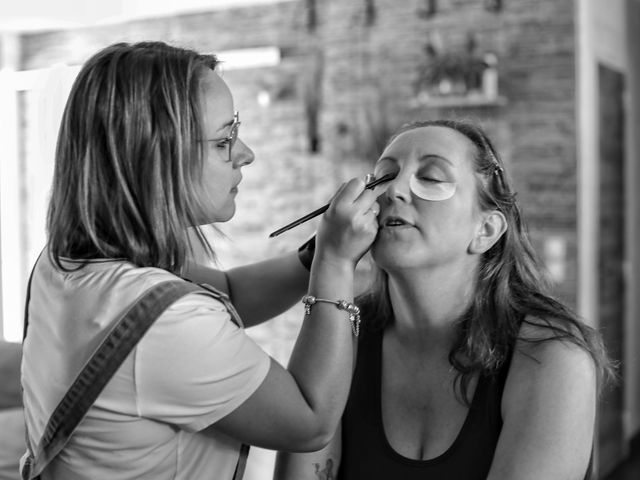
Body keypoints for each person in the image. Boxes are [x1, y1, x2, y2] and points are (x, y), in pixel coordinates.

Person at [20, 41, 384, 479]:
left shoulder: (67, 262)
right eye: (223, 140)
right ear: (155, 158)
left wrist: (317, 252)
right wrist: (336, 267)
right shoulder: (168, 325)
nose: (246, 153)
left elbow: (227, 292)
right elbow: (309, 422)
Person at [275, 120, 615, 480]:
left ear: (485, 231)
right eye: (383, 177)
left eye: (432, 178)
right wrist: (332, 263)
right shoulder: (344, 334)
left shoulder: (550, 356)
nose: (394, 192)